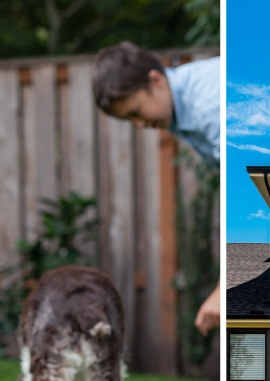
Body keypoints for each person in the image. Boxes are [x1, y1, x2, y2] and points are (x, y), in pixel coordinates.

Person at [92, 41, 221, 336]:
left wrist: (227, 286)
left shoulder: (210, 102)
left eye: (136, 112)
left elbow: (251, 191)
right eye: (130, 120)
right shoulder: (185, 108)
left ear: (155, 80)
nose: (139, 125)